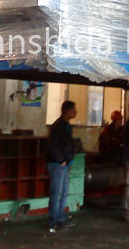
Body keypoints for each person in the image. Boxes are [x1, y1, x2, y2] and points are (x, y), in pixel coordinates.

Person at [46, 100, 77, 233]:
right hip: (57, 164)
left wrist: (69, 161)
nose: (75, 112)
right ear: (67, 111)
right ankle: (53, 222)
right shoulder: (58, 126)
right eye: (73, 110)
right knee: (57, 194)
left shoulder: (66, 126)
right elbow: (52, 145)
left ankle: (61, 218)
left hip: (64, 164)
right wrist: (61, 160)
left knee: (63, 193)